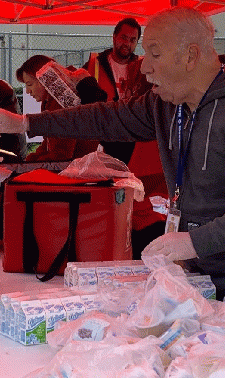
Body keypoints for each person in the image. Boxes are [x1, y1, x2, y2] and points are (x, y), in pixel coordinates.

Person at [0, 6, 225, 313]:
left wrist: (193, 241)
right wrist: (25, 123)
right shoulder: (168, 104)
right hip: (201, 278)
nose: (144, 65)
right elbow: (106, 117)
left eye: (155, 53)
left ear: (190, 56)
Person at [85, 18, 168, 257]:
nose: (127, 44)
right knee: (117, 192)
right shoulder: (95, 64)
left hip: (134, 138)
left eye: (133, 40)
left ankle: (126, 232)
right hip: (108, 134)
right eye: (124, 38)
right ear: (114, 36)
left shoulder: (143, 67)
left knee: (132, 192)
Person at [17, 54, 107, 162]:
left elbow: (61, 155)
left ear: (44, 79)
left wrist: (29, 165)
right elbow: (48, 145)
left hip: (76, 170)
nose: (27, 91)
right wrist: (29, 161)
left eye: (29, 84)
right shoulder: (49, 101)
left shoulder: (61, 101)